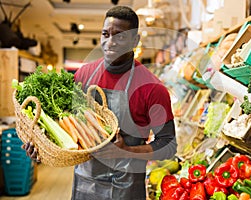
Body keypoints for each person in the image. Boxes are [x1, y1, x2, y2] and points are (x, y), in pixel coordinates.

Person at [23, 5, 177, 200]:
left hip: (127, 189)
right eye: (105, 34)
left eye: (120, 36)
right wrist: (42, 147)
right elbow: (64, 124)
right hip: (85, 184)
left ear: (135, 40)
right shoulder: (83, 75)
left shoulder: (152, 88)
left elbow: (168, 144)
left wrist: (126, 150)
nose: (109, 42)